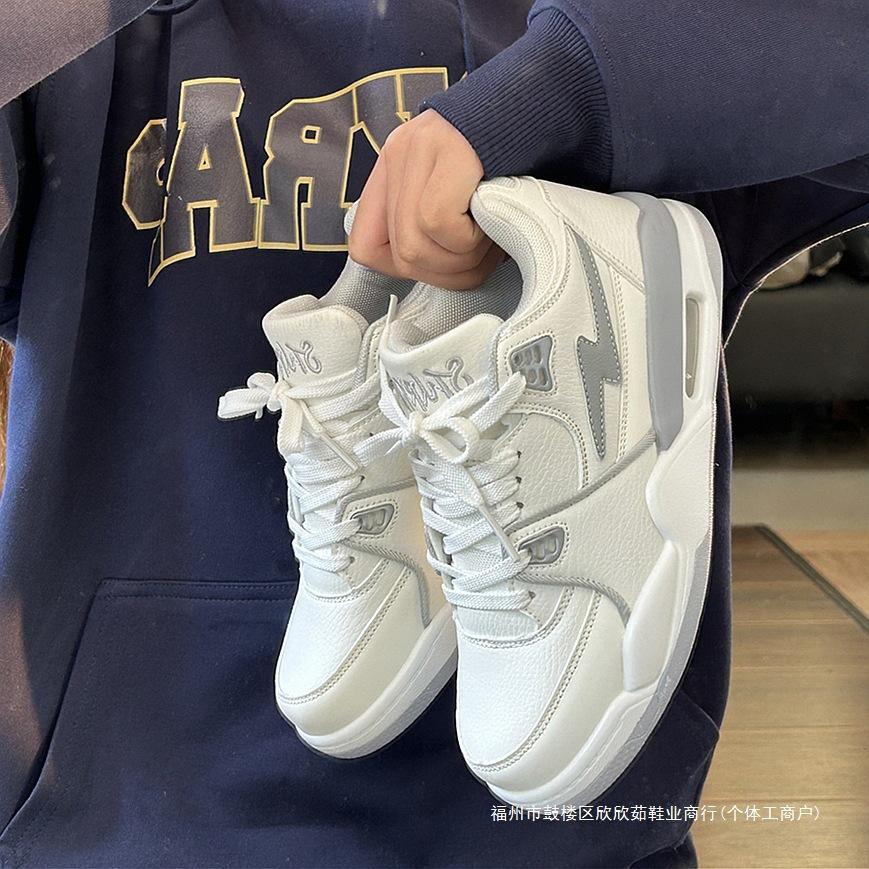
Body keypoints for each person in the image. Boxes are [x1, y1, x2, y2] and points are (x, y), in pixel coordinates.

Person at [0, 1, 866, 866]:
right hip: (114, 819)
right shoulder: (81, 40)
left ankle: (550, 304)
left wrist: (565, 86)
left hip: (565, 841)